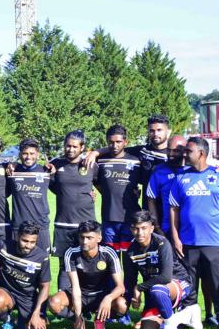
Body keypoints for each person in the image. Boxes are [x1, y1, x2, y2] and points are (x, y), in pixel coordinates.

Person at [168, 136, 219, 329]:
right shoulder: (181, 177)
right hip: (187, 242)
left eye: (189, 151)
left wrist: (218, 219)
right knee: (189, 283)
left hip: (213, 242)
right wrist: (176, 238)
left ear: (201, 153)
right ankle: (189, 317)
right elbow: (174, 209)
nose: (185, 154)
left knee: (217, 282)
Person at [127, 211, 201, 329]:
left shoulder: (161, 243)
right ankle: (182, 316)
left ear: (151, 228)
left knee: (158, 290)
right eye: (136, 228)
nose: (140, 233)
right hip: (154, 292)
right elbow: (129, 280)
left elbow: (166, 277)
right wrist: (130, 300)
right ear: (131, 229)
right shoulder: (131, 251)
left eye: (144, 228)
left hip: (178, 282)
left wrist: (139, 288)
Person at [47, 220, 126, 329]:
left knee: (122, 305)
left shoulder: (109, 252)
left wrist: (108, 298)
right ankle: (79, 320)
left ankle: (99, 319)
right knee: (54, 303)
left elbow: (120, 287)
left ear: (99, 238)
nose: (85, 241)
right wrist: (78, 317)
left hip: (100, 296)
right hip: (79, 294)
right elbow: (75, 288)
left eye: (89, 238)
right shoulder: (71, 253)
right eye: (82, 237)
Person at [48, 131, 98, 293]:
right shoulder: (55, 164)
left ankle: (87, 300)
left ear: (82, 147)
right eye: (68, 146)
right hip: (63, 225)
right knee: (64, 265)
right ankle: (63, 300)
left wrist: (93, 194)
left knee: (88, 264)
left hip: (86, 227)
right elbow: (53, 187)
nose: (70, 149)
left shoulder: (91, 165)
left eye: (74, 146)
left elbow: (103, 186)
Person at [0, 222, 51, 329]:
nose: (28, 245)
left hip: (28, 298)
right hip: (7, 293)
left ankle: (20, 321)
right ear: (17, 236)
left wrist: (37, 313)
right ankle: (7, 321)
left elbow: (45, 286)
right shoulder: (3, 246)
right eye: (25, 241)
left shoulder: (42, 257)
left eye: (32, 242)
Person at [94, 124, 142, 255]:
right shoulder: (100, 161)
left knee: (129, 259)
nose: (114, 145)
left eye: (118, 142)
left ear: (126, 142)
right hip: (109, 219)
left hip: (130, 219)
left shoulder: (136, 161)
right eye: (111, 142)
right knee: (110, 259)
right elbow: (96, 182)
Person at [7, 138, 51, 253]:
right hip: (18, 226)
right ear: (20, 155)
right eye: (25, 153)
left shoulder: (46, 171)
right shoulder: (12, 171)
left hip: (41, 226)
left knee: (42, 260)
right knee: (17, 261)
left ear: (38, 155)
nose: (28, 157)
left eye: (32, 153)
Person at [145, 135, 187, 241]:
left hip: (189, 228)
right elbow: (151, 200)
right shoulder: (159, 171)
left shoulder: (193, 170)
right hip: (167, 229)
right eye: (169, 150)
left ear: (185, 151)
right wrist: (157, 227)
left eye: (176, 151)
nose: (171, 154)